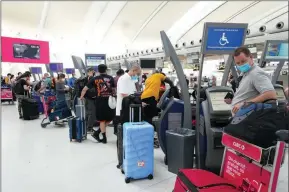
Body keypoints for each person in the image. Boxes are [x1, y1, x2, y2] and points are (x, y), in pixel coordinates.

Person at [225, 47, 277, 115]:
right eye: (238, 63)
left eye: (243, 61)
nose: (241, 64)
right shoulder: (245, 73)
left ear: (251, 57)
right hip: (240, 118)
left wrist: (245, 104)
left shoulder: (256, 73)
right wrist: (233, 100)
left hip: (249, 119)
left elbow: (270, 94)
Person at [80, 64, 115, 144]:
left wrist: (81, 96)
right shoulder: (110, 78)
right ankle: (102, 136)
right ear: (106, 70)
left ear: (98, 71)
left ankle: (99, 134)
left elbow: (85, 89)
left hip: (100, 101)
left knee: (103, 119)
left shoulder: (95, 79)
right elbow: (114, 89)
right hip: (109, 100)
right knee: (110, 117)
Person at [84, 68, 97, 133]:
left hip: (87, 98)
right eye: (92, 71)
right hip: (90, 98)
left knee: (88, 113)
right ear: (89, 72)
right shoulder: (90, 78)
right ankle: (89, 128)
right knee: (92, 113)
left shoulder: (86, 78)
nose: (94, 72)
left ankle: (86, 127)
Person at [113, 69, 125, 134]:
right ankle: (119, 128)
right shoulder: (121, 79)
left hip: (114, 98)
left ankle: (115, 129)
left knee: (116, 114)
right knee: (120, 113)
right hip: (120, 97)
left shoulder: (114, 78)